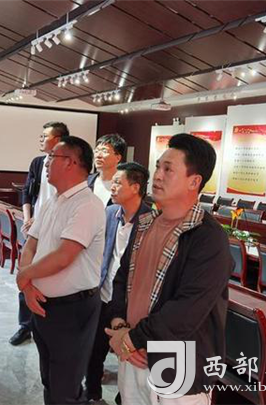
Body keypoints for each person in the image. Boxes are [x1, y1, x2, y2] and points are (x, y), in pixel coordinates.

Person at [106, 133, 233, 405]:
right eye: (157, 167)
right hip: (133, 355)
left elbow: (187, 309)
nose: (157, 175)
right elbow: (122, 278)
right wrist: (119, 324)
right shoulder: (145, 223)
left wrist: (132, 339)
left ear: (194, 181)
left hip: (178, 365)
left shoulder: (208, 238)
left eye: (168, 169)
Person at [16, 136, 105, 404]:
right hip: (43, 304)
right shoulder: (53, 201)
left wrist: (24, 276)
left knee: (65, 387)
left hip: (72, 309)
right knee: (49, 379)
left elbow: (64, 256)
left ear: (71, 163)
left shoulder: (87, 205)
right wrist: (27, 287)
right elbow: (31, 245)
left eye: (52, 157)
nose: (46, 162)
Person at [85, 162, 151, 402]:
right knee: (94, 351)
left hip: (130, 303)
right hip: (104, 295)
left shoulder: (151, 220)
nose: (111, 187)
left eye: (117, 183)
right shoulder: (110, 213)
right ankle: (93, 394)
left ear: (135, 187)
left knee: (130, 357)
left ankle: (123, 398)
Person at [9, 121, 70, 346]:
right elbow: (27, 191)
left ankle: (49, 323)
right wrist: (28, 218)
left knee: (52, 273)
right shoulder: (38, 163)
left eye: (45, 136)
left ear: (59, 140)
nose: (41, 139)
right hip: (34, 227)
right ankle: (25, 325)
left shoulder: (68, 164)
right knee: (26, 271)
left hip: (57, 228)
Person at [88, 134, 127, 207]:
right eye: (96, 151)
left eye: (104, 151)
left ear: (118, 158)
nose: (98, 155)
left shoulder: (125, 186)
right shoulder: (86, 182)